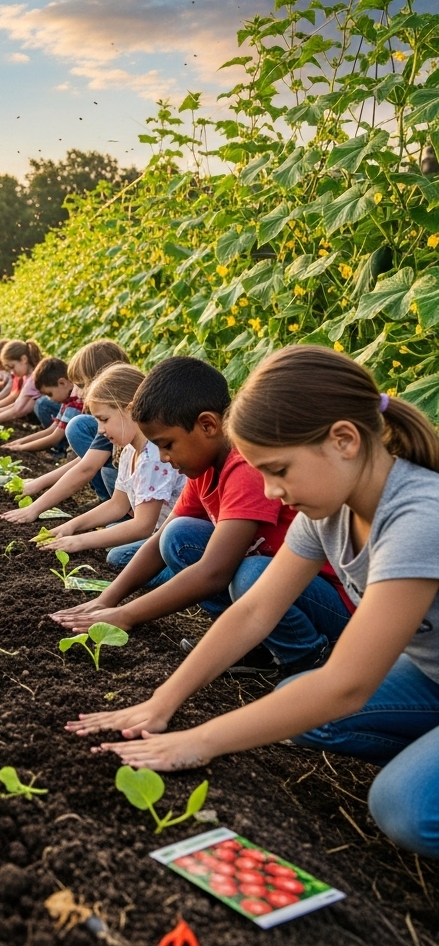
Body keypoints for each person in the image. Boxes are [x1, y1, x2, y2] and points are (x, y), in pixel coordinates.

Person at [75, 346, 439, 861]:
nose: (271, 490)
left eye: (279, 470)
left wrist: (201, 740)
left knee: (404, 807)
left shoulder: (421, 517)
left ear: (344, 441)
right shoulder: (327, 511)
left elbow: (347, 685)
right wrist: (164, 702)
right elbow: (253, 611)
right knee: (300, 703)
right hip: (431, 674)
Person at [51, 356, 351, 681]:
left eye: (168, 445)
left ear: (208, 425)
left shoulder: (245, 467)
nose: (164, 458)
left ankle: (309, 658)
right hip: (277, 592)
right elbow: (157, 542)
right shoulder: (204, 472)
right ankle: (257, 647)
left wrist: (125, 615)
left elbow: (214, 574)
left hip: (332, 607)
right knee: (178, 536)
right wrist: (105, 600)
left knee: (250, 574)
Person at [37, 364, 185, 567]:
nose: (101, 430)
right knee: (112, 529)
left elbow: (142, 526)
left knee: (117, 556)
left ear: (131, 409)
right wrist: (71, 527)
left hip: (171, 538)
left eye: (104, 419)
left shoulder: (153, 457)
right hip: (156, 531)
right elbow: (117, 505)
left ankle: (177, 573)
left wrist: (80, 541)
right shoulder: (130, 450)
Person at [0, 340, 130, 524]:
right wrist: (37, 484)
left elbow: (87, 467)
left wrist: (34, 509)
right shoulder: (114, 416)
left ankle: (116, 509)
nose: (76, 392)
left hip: (146, 508)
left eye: (82, 384)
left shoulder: (120, 418)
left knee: (79, 428)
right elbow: (87, 460)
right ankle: (112, 506)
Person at [4, 356, 80, 455]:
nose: (49, 399)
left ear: (62, 383)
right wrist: (18, 443)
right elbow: (52, 429)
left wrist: (21, 448)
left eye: (49, 394)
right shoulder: (68, 399)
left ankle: (63, 451)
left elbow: (55, 438)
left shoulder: (76, 401)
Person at [0, 340, 43, 424]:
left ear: (24, 359)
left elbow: (17, 410)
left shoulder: (33, 378)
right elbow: (18, 404)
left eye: (12, 367)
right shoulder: (27, 376)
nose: (11, 372)